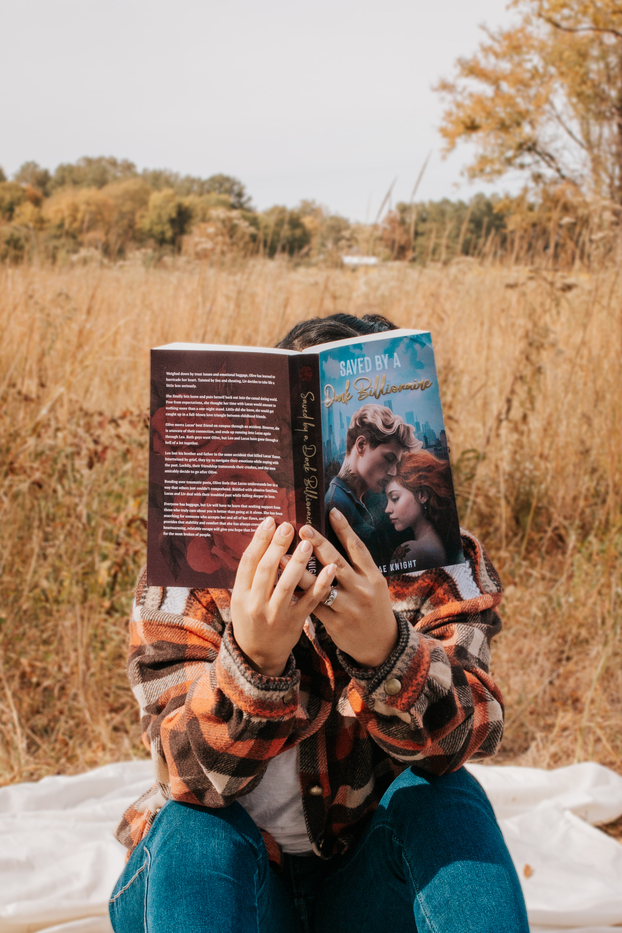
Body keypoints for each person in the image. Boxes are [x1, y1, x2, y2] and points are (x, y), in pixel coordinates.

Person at [109, 313, 529, 933]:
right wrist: (254, 660)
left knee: (448, 802)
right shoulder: (186, 567)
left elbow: (469, 738)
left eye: (399, 463)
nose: (391, 475)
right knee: (194, 828)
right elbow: (184, 773)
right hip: (224, 886)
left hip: (363, 884)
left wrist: (387, 651)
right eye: (384, 460)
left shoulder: (435, 556)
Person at [324, 403, 421, 566]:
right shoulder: (336, 505)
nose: (393, 472)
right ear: (361, 446)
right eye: (389, 459)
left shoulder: (367, 499)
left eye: (396, 463)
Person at [385, 448, 463, 571]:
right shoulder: (438, 543)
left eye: (395, 498)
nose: (387, 509)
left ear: (422, 495)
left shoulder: (411, 552)